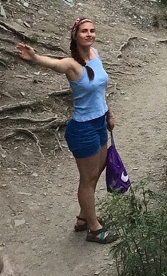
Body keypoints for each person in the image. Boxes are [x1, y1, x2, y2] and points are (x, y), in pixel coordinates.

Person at [16, 18, 117, 244]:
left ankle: (83, 217)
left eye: (92, 31)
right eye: (84, 31)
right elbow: (55, 64)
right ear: (75, 36)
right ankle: (93, 228)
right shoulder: (72, 64)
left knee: (97, 171)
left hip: (100, 121)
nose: (89, 34)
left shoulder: (95, 55)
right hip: (83, 128)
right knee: (87, 179)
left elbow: (100, 91)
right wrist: (34, 58)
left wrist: (108, 113)